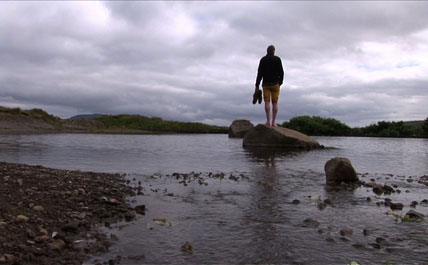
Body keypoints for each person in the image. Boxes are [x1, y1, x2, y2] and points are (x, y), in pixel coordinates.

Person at [255, 45, 284, 127]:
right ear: (274, 51)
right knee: (275, 103)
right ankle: (274, 122)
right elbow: (281, 72)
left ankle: (268, 121)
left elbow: (259, 73)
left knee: (267, 102)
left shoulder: (263, 60)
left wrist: (257, 85)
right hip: (275, 84)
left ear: (267, 51)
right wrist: (280, 82)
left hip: (266, 84)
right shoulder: (277, 59)